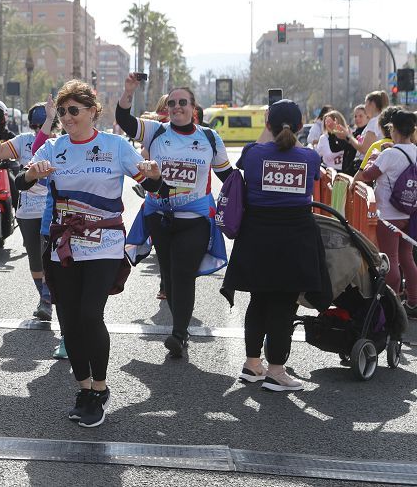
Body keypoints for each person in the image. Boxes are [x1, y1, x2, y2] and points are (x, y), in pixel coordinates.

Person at [19, 79, 162, 428]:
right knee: (68, 322)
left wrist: (155, 176)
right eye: (63, 111)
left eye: (74, 111)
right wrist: (30, 174)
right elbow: (23, 180)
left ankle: (100, 387)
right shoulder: (53, 148)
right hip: (63, 245)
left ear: (92, 112)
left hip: (105, 243)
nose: (66, 117)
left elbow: (151, 184)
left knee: (88, 315)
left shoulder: (114, 146)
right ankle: (83, 388)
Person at [115, 76, 233, 358]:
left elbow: (227, 176)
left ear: (194, 107)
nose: (177, 107)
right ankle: (180, 327)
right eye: (172, 103)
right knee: (168, 275)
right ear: (167, 108)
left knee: (182, 273)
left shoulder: (208, 137)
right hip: (160, 217)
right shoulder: (156, 131)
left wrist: (251, 190)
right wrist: (128, 91)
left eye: (183, 102)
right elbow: (124, 119)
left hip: (195, 219)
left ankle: (179, 333)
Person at [221, 99, 326, 392]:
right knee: (282, 306)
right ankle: (277, 371)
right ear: (301, 124)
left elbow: (249, 162)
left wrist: (269, 127)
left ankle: (253, 365)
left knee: (258, 300)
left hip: (257, 236)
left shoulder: (252, 154)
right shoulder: (309, 157)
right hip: (294, 238)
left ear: (267, 123)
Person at [0, 100, 68, 359]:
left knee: (52, 261)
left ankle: (49, 298)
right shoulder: (23, 141)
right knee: (35, 259)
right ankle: (45, 298)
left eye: (40, 124)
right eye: (33, 124)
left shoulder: (58, 143)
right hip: (27, 212)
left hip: (53, 211)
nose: (35, 129)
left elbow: (38, 146)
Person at [354, 110, 417, 316]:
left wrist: (374, 157)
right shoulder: (415, 151)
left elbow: (366, 175)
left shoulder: (388, 154)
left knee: (389, 258)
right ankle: (413, 302)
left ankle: (393, 304)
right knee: (407, 257)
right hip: (410, 213)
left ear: (393, 129)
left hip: (388, 214)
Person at [357, 90, 390, 163]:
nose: (364, 107)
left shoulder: (374, 122)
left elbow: (364, 149)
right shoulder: (381, 119)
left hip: (367, 162)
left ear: (372, 104)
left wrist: (348, 137)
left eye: (365, 103)